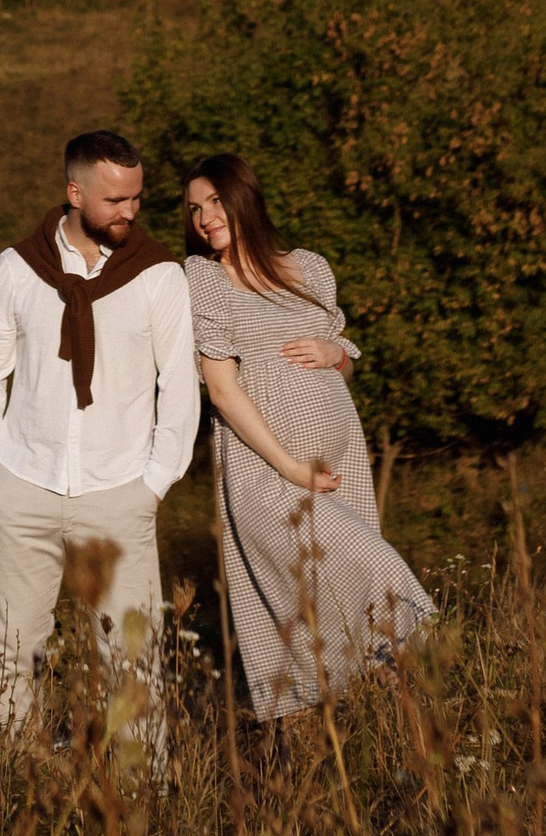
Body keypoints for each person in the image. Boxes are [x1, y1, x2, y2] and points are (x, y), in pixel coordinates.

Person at [0, 127, 200, 733]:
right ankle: (16, 787)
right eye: (114, 200)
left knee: (132, 665)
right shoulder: (17, 269)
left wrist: (153, 485)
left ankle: (140, 804)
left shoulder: (159, 275)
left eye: (137, 197)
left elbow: (180, 384)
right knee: (16, 656)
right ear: (74, 192)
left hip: (119, 493)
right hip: (22, 486)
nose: (130, 211)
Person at [184, 152, 434, 723]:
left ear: (244, 196)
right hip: (268, 468)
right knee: (372, 568)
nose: (204, 218)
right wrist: (290, 467)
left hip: (342, 456)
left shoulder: (308, 267)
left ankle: (394, 733)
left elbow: (342, 365)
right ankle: (381, 718)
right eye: (195, 209)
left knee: (335, 596)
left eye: (215, 202)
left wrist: (336, 353)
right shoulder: (203, 278)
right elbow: (222, 391)